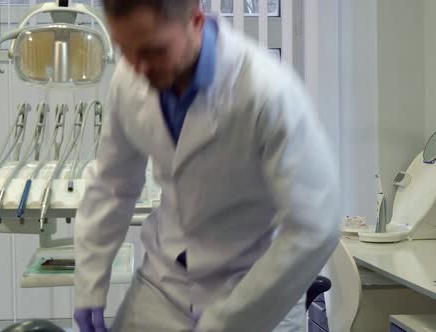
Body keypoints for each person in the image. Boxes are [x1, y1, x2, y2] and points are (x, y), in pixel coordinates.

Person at [73, 0, 340, 331]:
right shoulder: (131, 76)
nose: (138, 68)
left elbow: (315, 227)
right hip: (164, 285)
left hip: (252, 290)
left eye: (154, 50)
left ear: (196, 21)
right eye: (125, 49)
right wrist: (89, 283)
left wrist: (230, 317)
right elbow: (111, 186)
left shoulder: (267, 93)